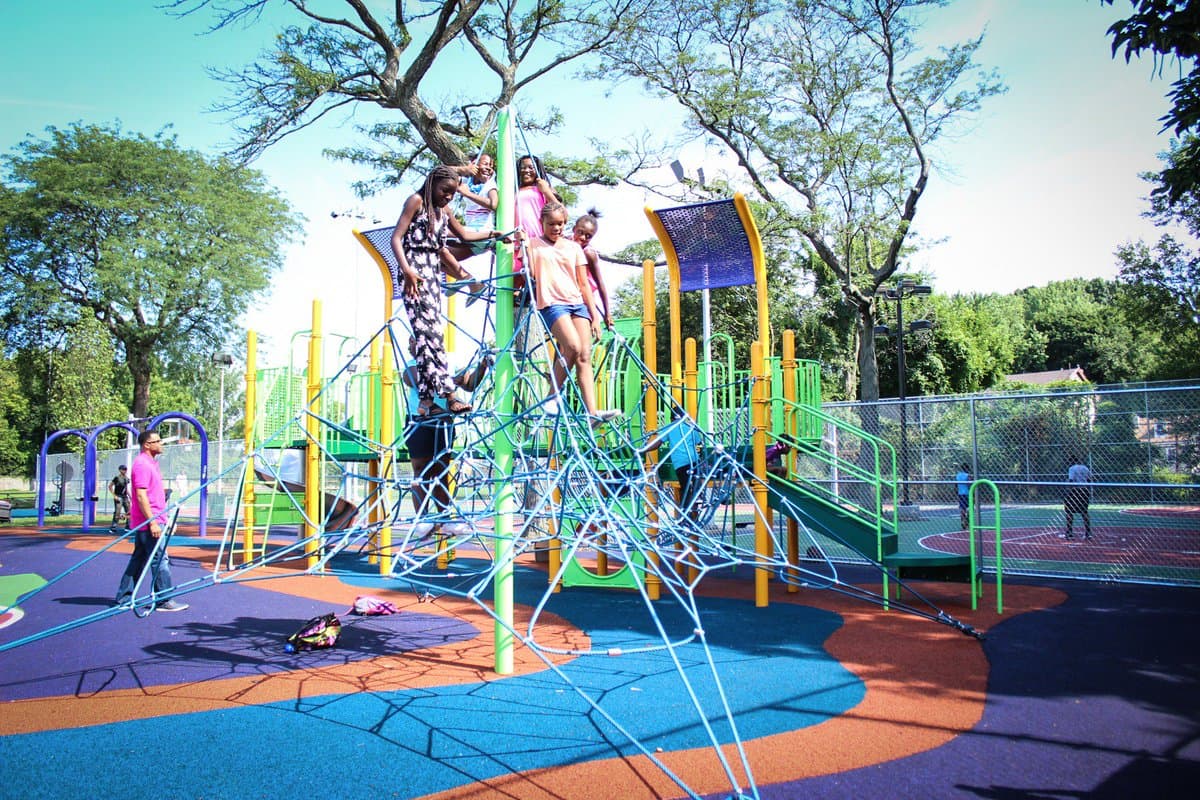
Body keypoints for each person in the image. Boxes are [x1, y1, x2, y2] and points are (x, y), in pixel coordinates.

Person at [390, 165, 493, 417]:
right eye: (445, 191)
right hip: (414, 272)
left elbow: (465, 235)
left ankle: (425, 401)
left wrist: (495, 235)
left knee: (431, 336)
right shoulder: (416, 201)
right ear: (432, 183)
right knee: (430, 334)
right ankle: (449, 394)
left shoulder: (442, 211)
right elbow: (396, 238)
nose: (448, 197)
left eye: (453, 193)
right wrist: (408, 271)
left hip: (434, 272)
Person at [525, 201, 620, 425]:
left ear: (564, 224)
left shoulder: (575, 248)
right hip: (552, 303)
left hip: (577, 304)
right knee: (572, 347)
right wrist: (519, 243)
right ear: (542, 223)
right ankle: (551, 398)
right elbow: (530, 271)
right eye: (551, 224)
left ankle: (592, 413)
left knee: (584, 356)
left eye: (559, 224)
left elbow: (584, 285)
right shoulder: (533, 244)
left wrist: (595, 316)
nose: (556, 228)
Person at [403, 356, 491, 538]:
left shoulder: (447, 363)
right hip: (419, 421)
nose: (411, 345)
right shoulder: (413, 364)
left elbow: (470, 383)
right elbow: (415, 379)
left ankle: (445, 517)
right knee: (421, 470)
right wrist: (451, 381)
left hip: (443, 421)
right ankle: (421, 518)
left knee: (441, 470)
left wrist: (482, 367)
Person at [115, 430, 188, 611]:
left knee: (139, 559)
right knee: (159, 559)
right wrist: (153, 522)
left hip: (155, 518)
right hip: (149, 522)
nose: (161, 444)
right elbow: (140, 495)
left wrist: (165, 514)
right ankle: (164, 600)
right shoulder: (141, 464)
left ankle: (124, 598)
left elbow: (151, 494)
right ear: (147, 445)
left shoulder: (151, 463)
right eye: (157, 441)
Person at [642, 408, 703, 509]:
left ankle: (685, 514)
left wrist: (644, 450)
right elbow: (698, 442)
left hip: (680, 463)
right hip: (693, 460)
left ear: (671, 419)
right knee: (696, 480)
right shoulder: (690, 427)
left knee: (685, 488)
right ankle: (698, 497)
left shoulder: (670, 428)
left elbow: (657, 443)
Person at [447, 153, 498, 263]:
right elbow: (441, 172)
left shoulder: (490, 184)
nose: (489, 168)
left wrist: (467, 193)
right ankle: (471, 279)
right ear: (474, 164)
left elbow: (493, 204)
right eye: (485, 164)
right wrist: (464, 169)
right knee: (441, 260)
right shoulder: (466, 182)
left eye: (491, 166)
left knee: (438, 230)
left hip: (482, 233)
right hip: (471, 238)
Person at [568, 208, 614, 329]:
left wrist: (607, 313)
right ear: (574, 229)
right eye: (580, 232)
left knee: (581, 333)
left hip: (584, 298)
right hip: (567, 294)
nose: (583, 238)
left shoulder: (588, 253)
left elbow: (600, 283)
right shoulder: (565, 243)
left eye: (588, 236)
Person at [1063, 457, 1093, 541]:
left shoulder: (1072, 468)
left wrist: (1068, 491)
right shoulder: (1085, 468)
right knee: (1084, 511)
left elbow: (1071, 480)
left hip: (1075, 491)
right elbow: (1089, 479)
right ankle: (1088, 532)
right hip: (1084, 490)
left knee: (1069, 511)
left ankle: (1069, 531)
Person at [108, 464, 130, 531]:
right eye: (123, 469)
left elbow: (126, 488)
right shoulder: (117, 478)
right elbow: (110, 486)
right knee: (117, 512)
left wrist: (130, 496)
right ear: (120, 470)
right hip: (118, 496)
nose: (124, 471)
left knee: (129, 511)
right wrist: (114, 496)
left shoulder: (127, 478)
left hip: (125, 497)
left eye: (125, 469)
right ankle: (113, 527)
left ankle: (128, 526)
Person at [956, 463, 971, 530]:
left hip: (960, 494)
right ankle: (967, 523)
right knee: (969, 509)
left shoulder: (958, 475)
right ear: (967, 469)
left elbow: (956, 485)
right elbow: (969, 485)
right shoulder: (967, 476)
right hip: (967, 494)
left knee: (962, 509)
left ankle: (963, 522)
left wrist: (956, 493)